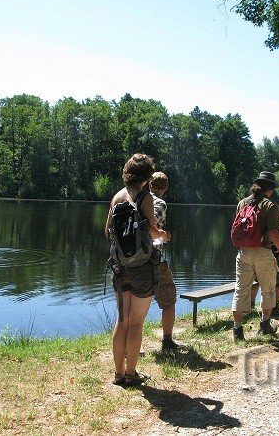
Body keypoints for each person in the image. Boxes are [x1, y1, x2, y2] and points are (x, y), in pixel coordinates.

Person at [105, 154, 171, 385]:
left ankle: (118, 374)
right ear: (147, 176)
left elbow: (107, 232)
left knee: (121, 321)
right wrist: (163, 235)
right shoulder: (145, 198)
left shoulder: (117, 197)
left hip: (119, 268)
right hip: (142, 269)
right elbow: (152, 232)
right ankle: (132, 374)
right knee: (136, 323)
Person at [232, 172, 279, 341]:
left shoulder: (242, 203)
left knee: (241, 289)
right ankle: (265, 325)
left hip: (243, 252)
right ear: (271, 189)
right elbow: (273, 233)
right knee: (268, 290)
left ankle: (237, 331)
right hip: (263, 252)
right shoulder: (270, 205)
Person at [149, 171, 181, 351]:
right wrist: (164, 236)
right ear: (165, 188)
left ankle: (129, 346)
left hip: (131, 260)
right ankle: (167, 341)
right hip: (155, 260)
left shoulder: (133, 199)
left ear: (149, 185)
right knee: (169, 299)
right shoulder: (159, 203)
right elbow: (154, 230)